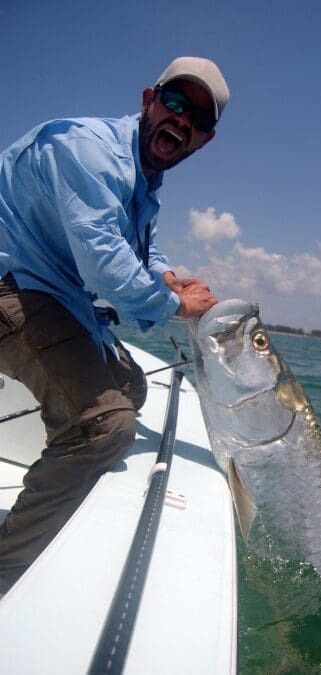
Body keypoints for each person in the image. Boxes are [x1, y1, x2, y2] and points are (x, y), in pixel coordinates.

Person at [0, 56, 229, 594]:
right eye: (174, 102)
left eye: (197, 117)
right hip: (10, 287)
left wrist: (168, 278)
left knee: (132, 386)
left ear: (204, 139)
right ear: (149, 98)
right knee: (109, 426)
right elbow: (105, 260)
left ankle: (64, 463)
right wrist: (177, 307)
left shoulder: (142, 178)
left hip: (51, 294)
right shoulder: (87, 150)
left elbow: (139, 247)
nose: (181, 119)